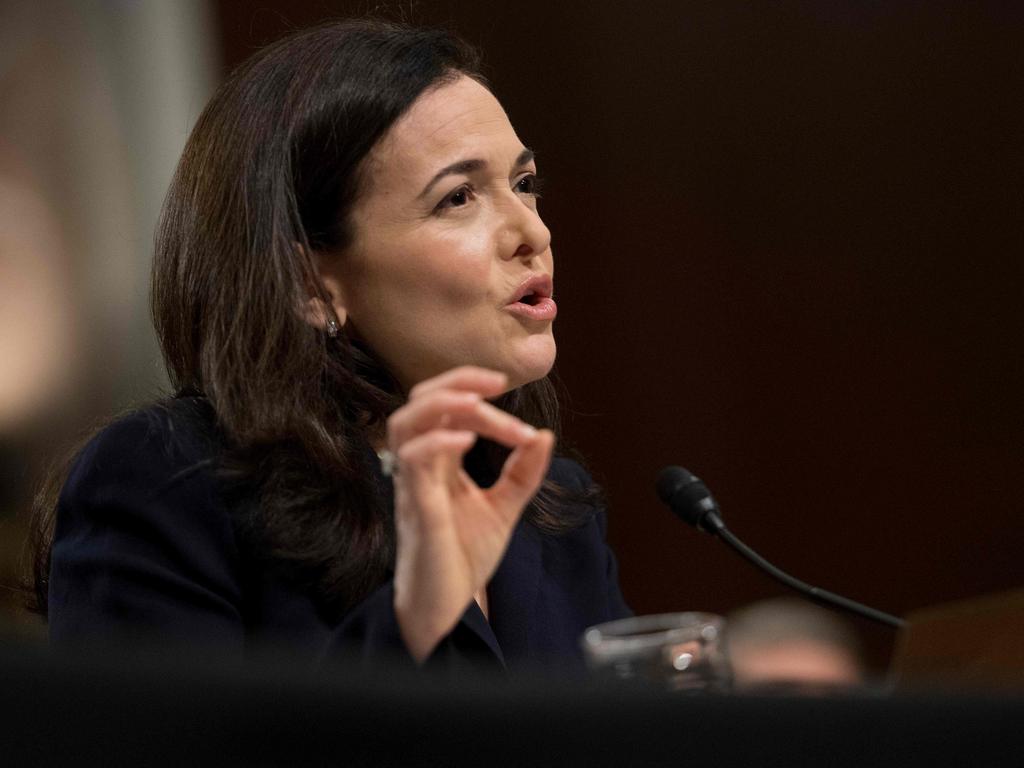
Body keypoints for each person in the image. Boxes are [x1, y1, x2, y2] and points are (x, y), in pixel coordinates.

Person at [29, 19, 631, 671]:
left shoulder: (547, 502)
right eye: (458, 197)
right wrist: (414, 619)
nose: (531, 232)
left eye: (523, 184)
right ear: (310, 285)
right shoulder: (168, 486)